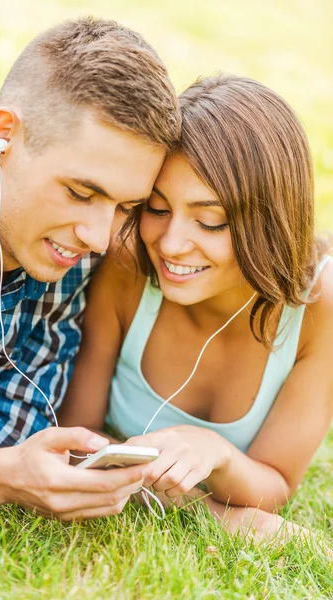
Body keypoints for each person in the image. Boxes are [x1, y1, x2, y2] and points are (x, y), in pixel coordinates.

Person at [60, 74, 333, 536]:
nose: (170, 244)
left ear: (270, 222)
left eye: (209, 222)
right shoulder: (127, 263)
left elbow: (276, 482)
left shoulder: (318, 307)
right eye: (159, 209)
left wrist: (217, 454)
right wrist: (216, 515)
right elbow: (77, 443)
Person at [0, 17, 181, 519]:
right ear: (4, 137)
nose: (98, 237)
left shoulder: (62, 248)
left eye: (124, 206)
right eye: (81, 192)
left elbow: (13, 416)